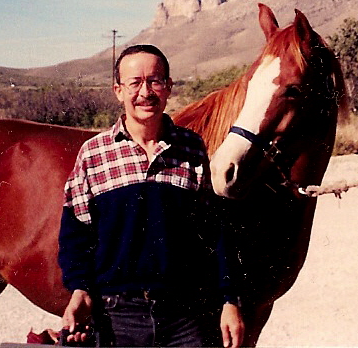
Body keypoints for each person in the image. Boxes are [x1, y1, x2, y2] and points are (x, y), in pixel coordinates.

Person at [58, 44, 244, 347]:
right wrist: (79, 290)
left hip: (185, 317)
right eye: (135, 83)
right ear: (118, 90)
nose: (145, 92)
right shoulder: (94, 154)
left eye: (155, 81)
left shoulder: (191, 149)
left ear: (169, 87)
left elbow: (215, 234)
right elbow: (75, 235)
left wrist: (229, 300)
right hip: (117, 316)